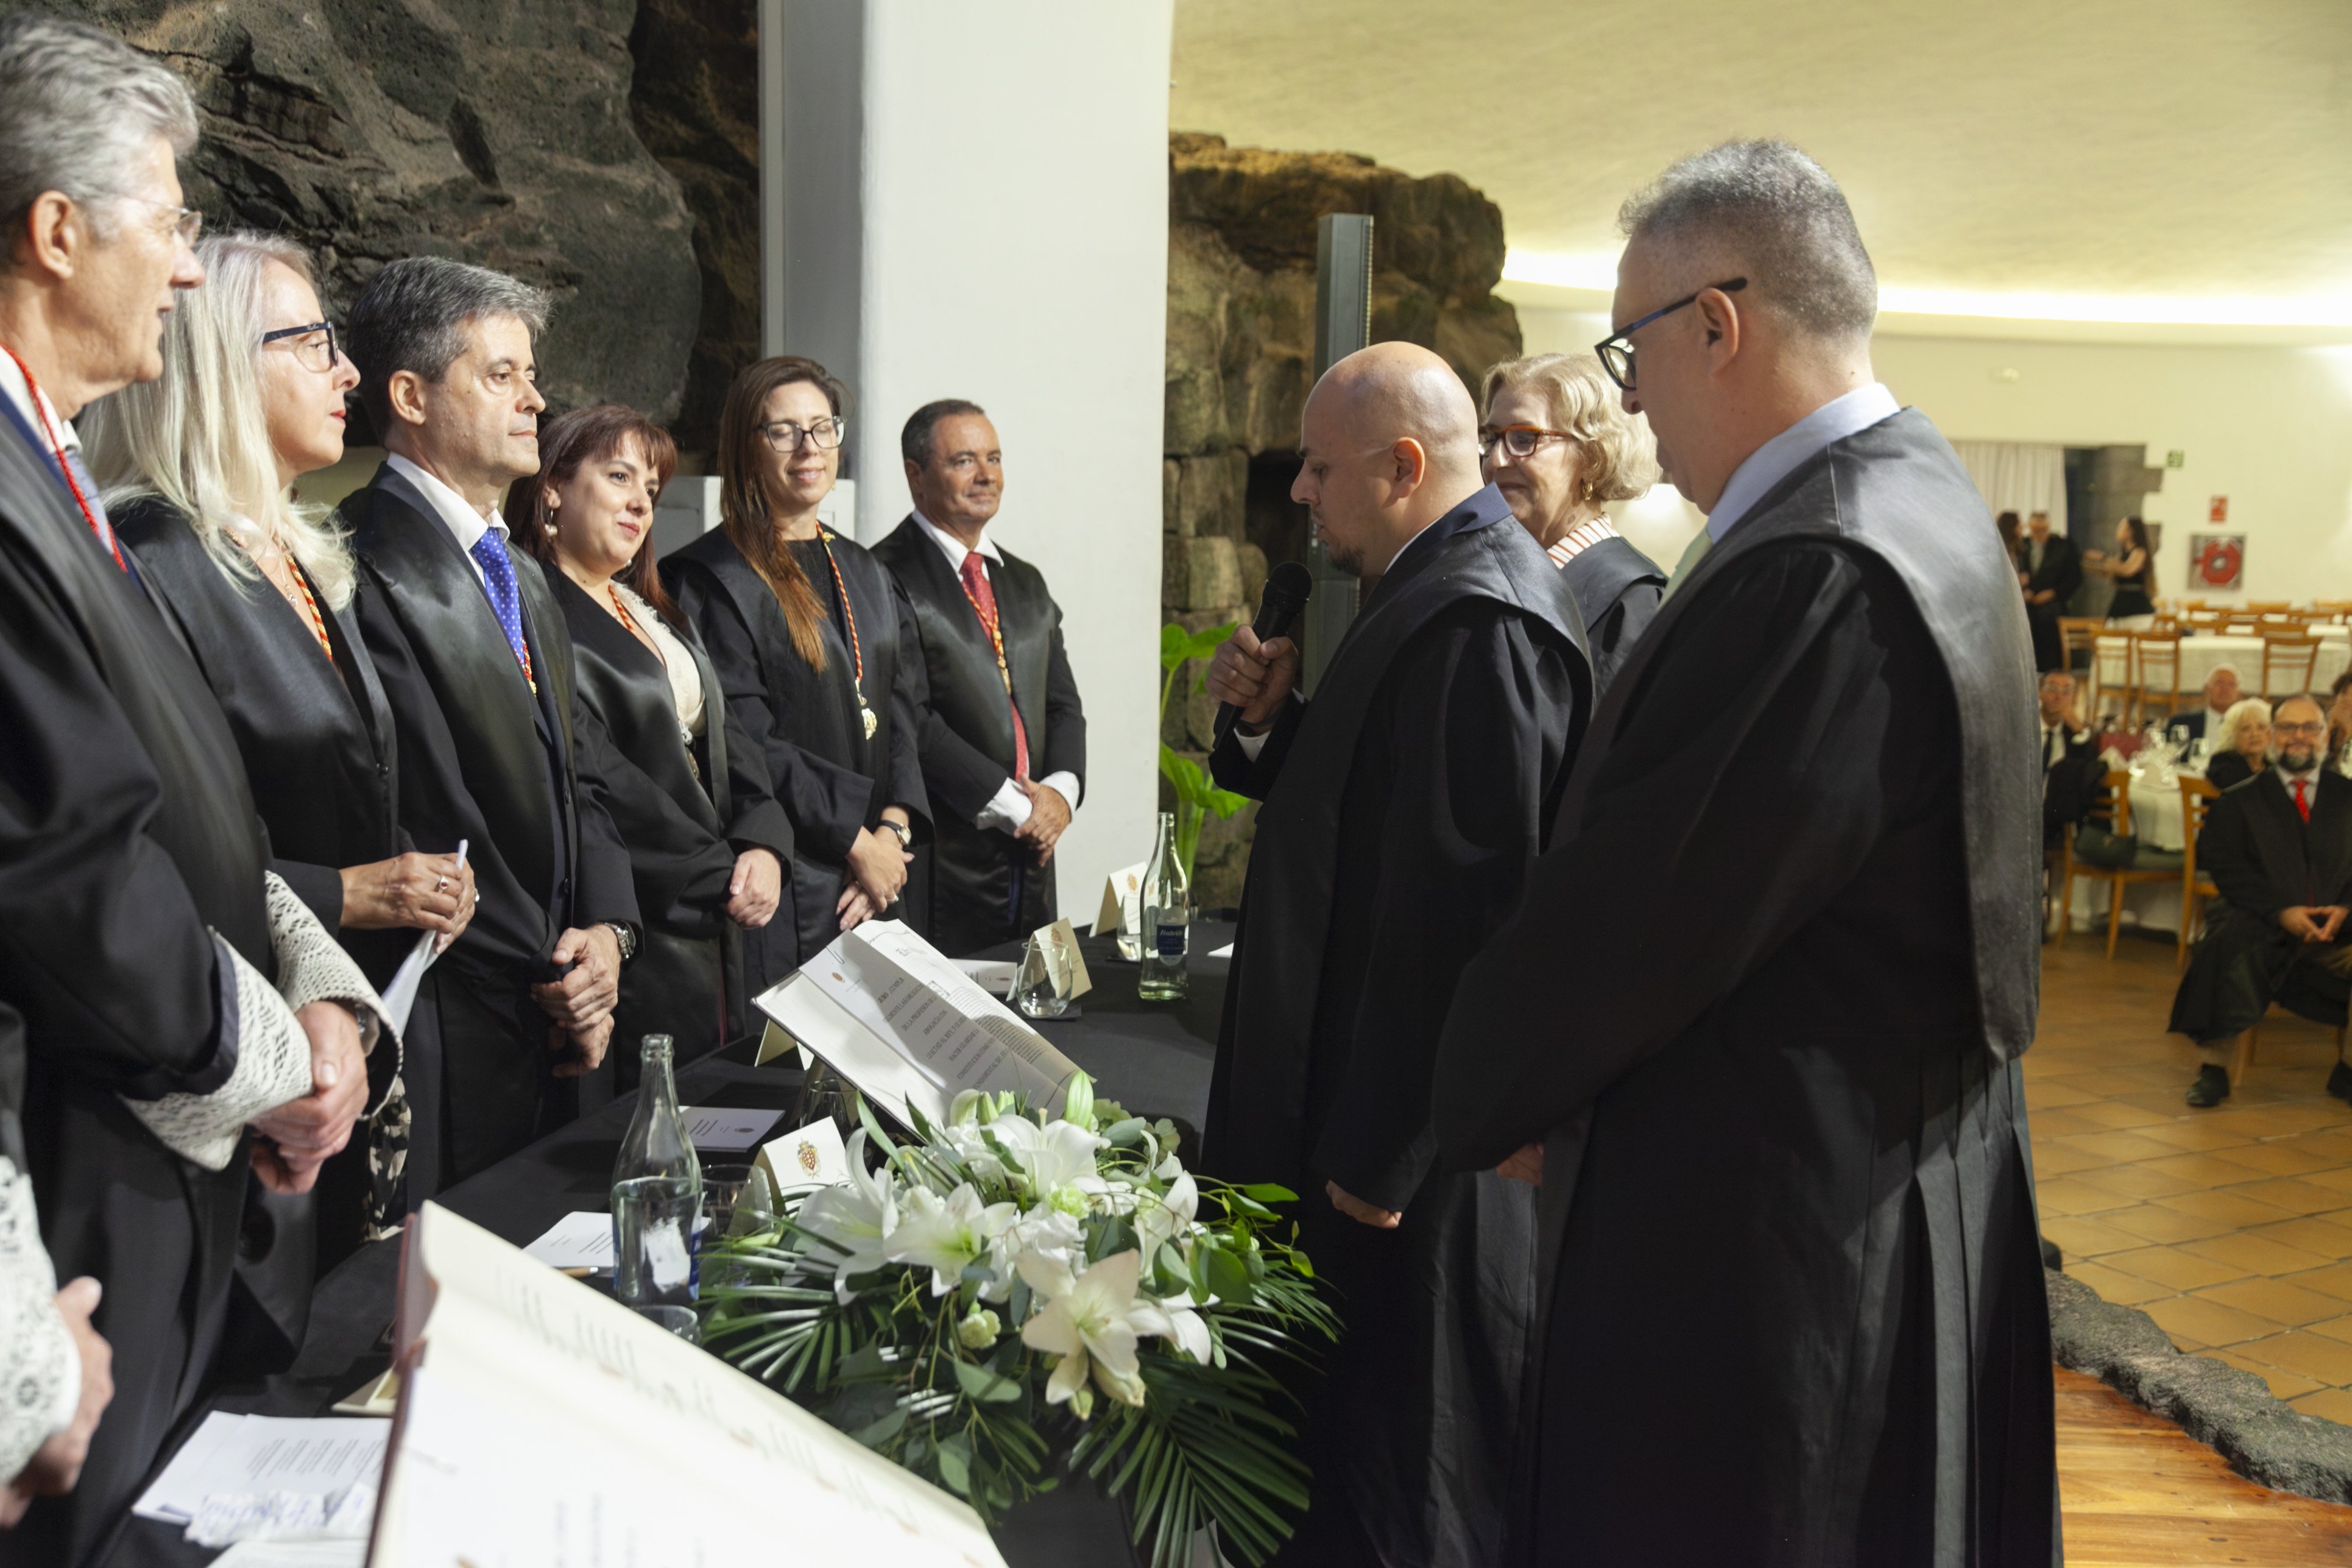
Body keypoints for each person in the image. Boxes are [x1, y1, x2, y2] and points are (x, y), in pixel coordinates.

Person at [1432, 141, 2055, 1564]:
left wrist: (1485, 1085)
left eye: (1628, 349)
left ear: (1714, 324)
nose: (1630, 393)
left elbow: (1645, 913)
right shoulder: (1929, 504)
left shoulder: (1813, 565)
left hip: (1773, 1232)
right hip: (1895, 1164)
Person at [0, 15, 380, 1554]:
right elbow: (63, 868)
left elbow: (185, 793)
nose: (180, 269)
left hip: (171, 1181)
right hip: (87, 1196)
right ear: (54, 229)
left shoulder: (56, 461)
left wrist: (315, 978)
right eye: (168, 225)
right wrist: (280, 1060)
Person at [1201, 341, 1589, 1567]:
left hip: (1402, 1182)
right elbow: (1383, 813)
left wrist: (1379, 1159)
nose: (1302, 493)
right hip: (1367, 1148)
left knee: (1401, 1482)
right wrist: (1275, 728)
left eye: (1320, 469)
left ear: (1405, 465)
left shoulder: (1481, 619)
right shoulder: (1429, 586)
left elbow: (1472, 919)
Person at [84, 231, 477, 1268]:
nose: (348, 372)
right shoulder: (155, 557)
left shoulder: (300, 549)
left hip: (361, 1031)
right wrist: (349, 892)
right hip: (251, 1061)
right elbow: (160, 842)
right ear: (216, 360)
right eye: (313, 343)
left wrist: (415, 885)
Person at [339, 258, 639, 1187]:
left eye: (531, 374)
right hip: (462, 1001)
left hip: (560, 985)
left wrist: (608, 934)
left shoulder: (519, 569)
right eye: (501, 375)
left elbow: (580, 772)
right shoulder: (358, 556)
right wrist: (556, 977)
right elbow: (428, 794)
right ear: (411, 395)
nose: (534, 399)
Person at [509, 406, 789, 1075]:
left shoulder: (647, 606)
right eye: (618, 476)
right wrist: (717, 869)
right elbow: (600, 777)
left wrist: (765, 841)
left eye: (652, 490)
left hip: (722, 901)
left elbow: (729, 735)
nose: (640, 501)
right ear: (552, 489)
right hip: (646, 912)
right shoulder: (536, 610)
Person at [667, 357, 925, 982]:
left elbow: (900, 711)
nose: (808, 447)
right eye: (783, 431)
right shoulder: (709, 579)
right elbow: (748, 739)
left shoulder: (867, 570)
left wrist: (892, 833)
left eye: (822, 427)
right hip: (795, 877)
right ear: (745, 447)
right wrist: (856, 844)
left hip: (881, 876)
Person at [872, 400, 1087, 954]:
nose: (986, 475)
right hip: (943, 858)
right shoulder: (882, 575)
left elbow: (1062, 706)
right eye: (964, 460)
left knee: (1037, 1024)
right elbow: (909, 719)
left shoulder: (1025, 582)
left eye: (993, 458)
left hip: (1032, 856)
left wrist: (1058, 798)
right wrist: (1020, 810)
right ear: (915, 475)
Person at [2170, 694, 2352, 1107]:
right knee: (2220, 945)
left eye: (2309, 728)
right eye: (2288, 728)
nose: (2298, 738)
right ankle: (2212, 1071)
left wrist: (2344, 909)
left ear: (2325, 736)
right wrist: (2281, 911)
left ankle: (2347, 1070)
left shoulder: (2347, 797)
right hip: (2260, 924)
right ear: (2272, 735)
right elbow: (2227, 869)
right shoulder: (2239, 800)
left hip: (2337, 929)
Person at [1476, 353, 1664, 691]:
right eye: (1492, 439)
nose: (1495, 461)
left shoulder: (1633, 601)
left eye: (1523, 438)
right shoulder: (1495, 574)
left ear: (1593, 456)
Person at [2039, 670, 2100, 853]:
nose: (2059, 697)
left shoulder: (2073, 732)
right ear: (2039, 692)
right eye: (2052, 689)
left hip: (2055, 813)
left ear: (2073, 698)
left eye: (2067, 691)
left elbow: (2092, 770)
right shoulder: (2025, 726)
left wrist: (2079, 729)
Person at [2019, 509, 2081, 671]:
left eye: (2043, 530)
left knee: (2051, 657)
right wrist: (2024, 591)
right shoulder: (2021, 545)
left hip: (2053, 608)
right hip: (2026, 609)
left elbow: (2074, 578)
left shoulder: (2063, 546)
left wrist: (2053, 593)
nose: (2039, 534)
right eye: (2035, 530)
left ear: (2049, 527)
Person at [2086, 514, 2156, 625]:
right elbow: (2110, 571)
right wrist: (2087, 564)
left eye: (2121, 527)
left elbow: (2127, 570)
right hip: (2120, 605)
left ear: (2131, 531)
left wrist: (2104, 558)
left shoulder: (2139, 552)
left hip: (2137, 608)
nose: (2118, 530)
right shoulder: (2121, 555)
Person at [2203, 697, 2272, 791]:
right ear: (2232, 735)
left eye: (2261, 727)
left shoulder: (2273, 765)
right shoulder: (2222, 762)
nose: (2255, 734)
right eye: (2246, 729)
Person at [2166, 665, 2241, 747]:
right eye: (2219, 683)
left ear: (2238, 693)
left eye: (2231, 684)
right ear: (2206, 689)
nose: (2225, 689)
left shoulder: (2245, 726)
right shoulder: (2181, 724)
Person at [2325, 669, 2352, 771]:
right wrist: (2328, 726)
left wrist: (2347, 731)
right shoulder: (2327, 718)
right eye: (2344, 693)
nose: (2347, 699)